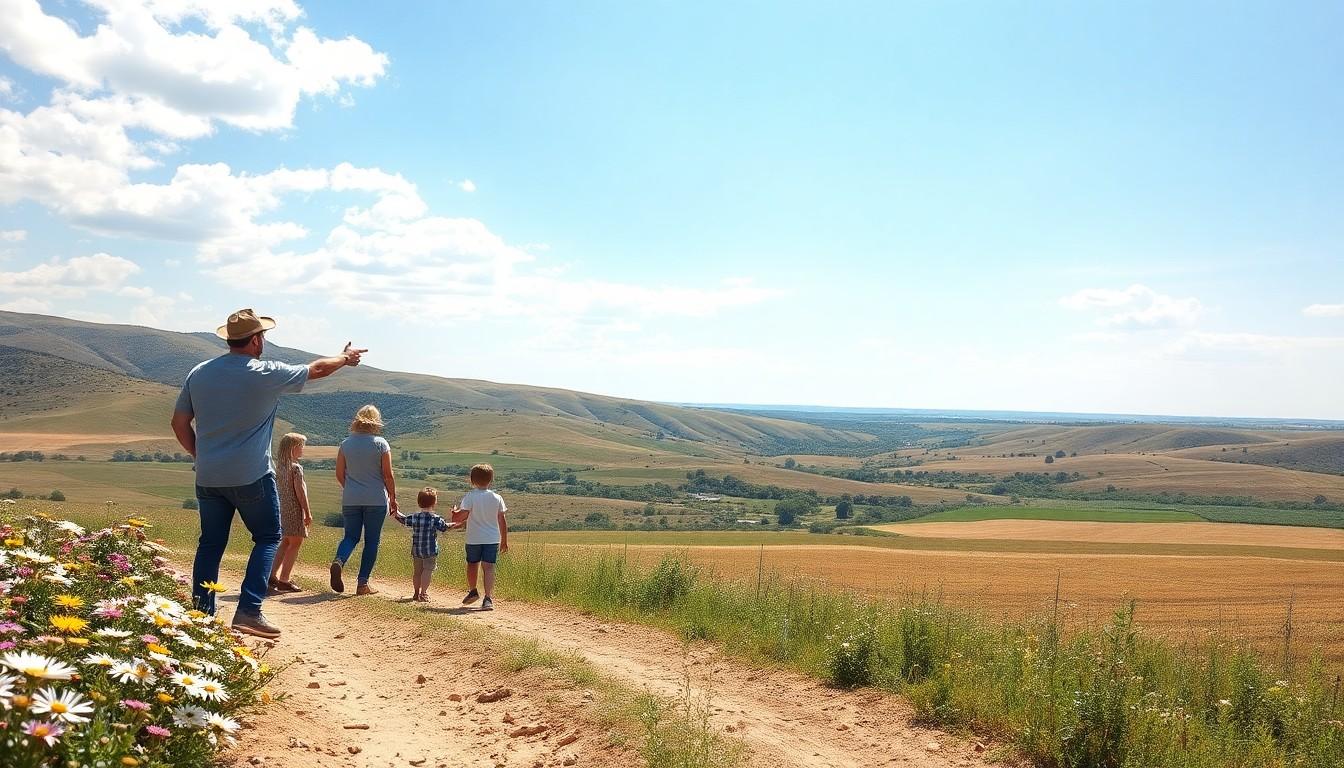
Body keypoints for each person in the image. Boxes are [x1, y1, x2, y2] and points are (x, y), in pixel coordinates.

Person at [171, 308, 365, 639]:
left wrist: (199, 455)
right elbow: (316, 369)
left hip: (208, 476)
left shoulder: (198, 373)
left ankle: (201, 615)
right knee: (268, 537)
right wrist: (344, 358)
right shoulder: (264, 372)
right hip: (251, 474)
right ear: (257, 339)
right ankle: (249, 610)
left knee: (211, 544)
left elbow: (179, 422)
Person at [330, 404, 398, 595]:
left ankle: (339, 560)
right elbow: (388, 475)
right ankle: (362, 584)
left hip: (351, 498)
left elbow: (339, 473)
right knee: (371, 541)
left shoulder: (345, 444)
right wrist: (392, 497)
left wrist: (351, 488)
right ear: (376, 421)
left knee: (350, 536)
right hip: (376, 499)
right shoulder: (381, 443)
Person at [391, 487, 461, 602]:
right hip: (430, 550)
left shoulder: (415, 517)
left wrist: (395, 511)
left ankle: (416, 593)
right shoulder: (436, 519)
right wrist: (457, 523)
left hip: (416, 550)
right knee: (427, 571)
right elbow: (444, 527)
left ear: (419, 502)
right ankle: (423, 593)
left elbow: (403, 520)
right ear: (434, 503)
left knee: (417, 573)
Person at [458, 463, 508, 611]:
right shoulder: (497, 497)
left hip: (473, 538)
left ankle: (473, 590)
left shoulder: (470, 496)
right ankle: (488, 598)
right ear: (491, 480)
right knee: (489, 568)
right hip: (492, 538)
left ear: (472, 480)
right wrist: (504, 540)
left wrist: (454, 514)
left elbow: (463, 516)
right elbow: (502, 520)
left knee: (472, 564)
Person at [269, 432, 311, 594]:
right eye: (301, 446)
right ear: (294, 448)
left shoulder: (279, 468)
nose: (303, 450)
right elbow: (300, 492)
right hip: (294, 508)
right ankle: (284, 579)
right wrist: (307, 512)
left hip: (282, 508)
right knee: (296, 543)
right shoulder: (295, 469)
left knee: (286, 542)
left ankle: (271, 575)